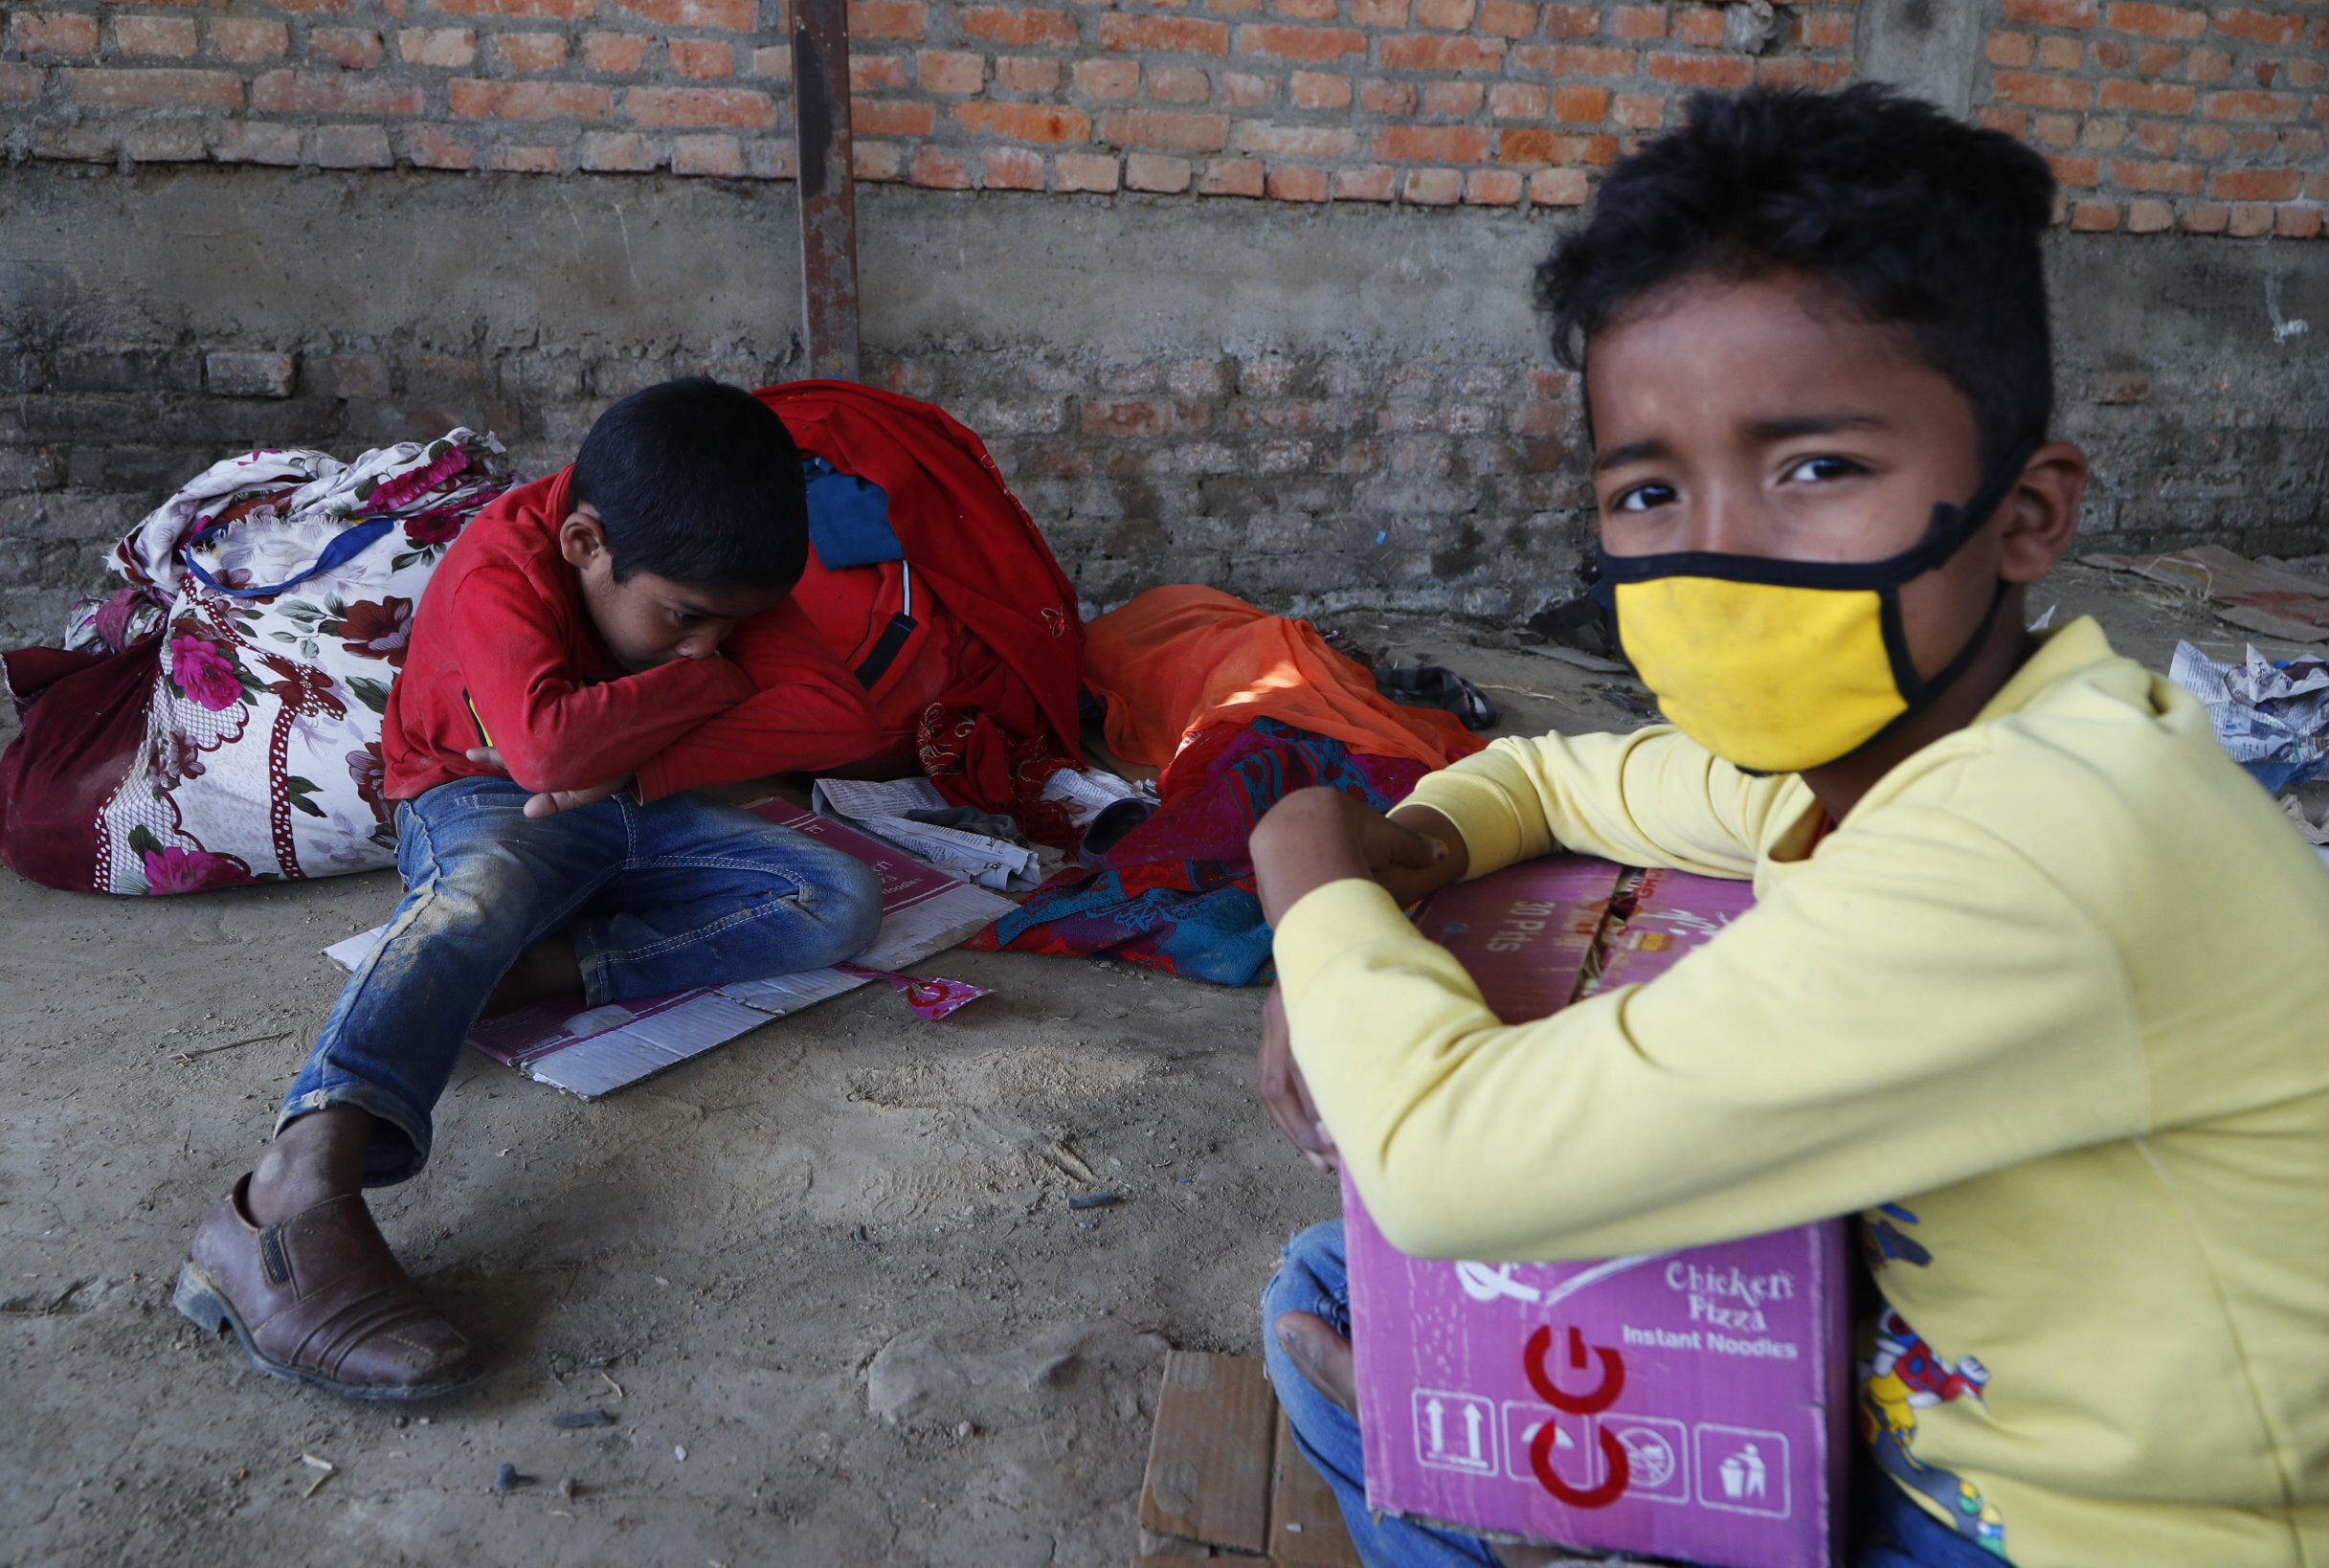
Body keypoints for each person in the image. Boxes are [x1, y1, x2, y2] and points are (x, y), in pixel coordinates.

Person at [1249, 85, 2329, 1568]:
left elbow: (1442, 1162)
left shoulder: (2032, 842)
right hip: (1947, 1399)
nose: (1721, 550)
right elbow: (1563, 777)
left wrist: (1306, 860)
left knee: (1392, 1337)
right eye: (1647, 487)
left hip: (2093, 1527)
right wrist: (1411, 848)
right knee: (1335, 1288)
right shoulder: (1922, 748)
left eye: (1816, 467)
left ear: (2025, 514)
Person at [172, 378, 888, 1400]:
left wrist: (637, 762)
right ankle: (288, 1191)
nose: (711, 642)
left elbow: (843, 720)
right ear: (585, 545)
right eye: (687, 621)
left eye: (735, 631)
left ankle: (534, 968)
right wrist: (715, 687)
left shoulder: (704, 563)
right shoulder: (501, 570)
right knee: (485, 886)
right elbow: (549, 751)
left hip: (637, 799)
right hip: (479, 801)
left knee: (838, 898)